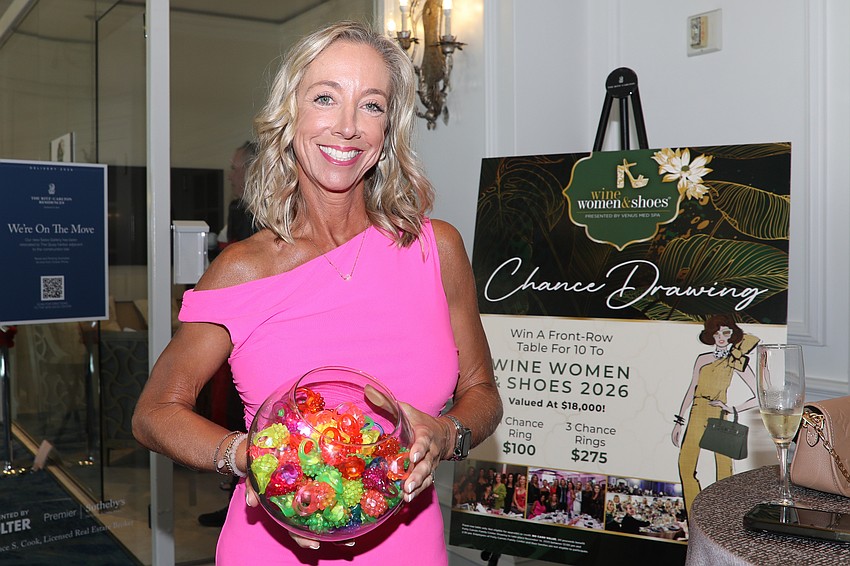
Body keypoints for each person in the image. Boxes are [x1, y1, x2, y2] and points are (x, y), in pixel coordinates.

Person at [132, 21, 502, 565]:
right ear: (290, 116)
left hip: (409, 549)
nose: (348, 126)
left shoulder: (436, 249)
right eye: (325, 98)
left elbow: (484, 393)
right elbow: (154, 412)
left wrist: (447, 434)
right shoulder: (241, 270)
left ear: (388, 131)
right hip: (271, 549)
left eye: (371, 106)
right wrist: (245, 456)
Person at [198, 140, 260, 528]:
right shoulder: (236, 209)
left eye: (235, 168)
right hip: (229, 324)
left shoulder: (252, 212)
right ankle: (235, 493)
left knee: (240, 408)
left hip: (247, 326)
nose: (230, 174)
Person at [671, 314, 759, 516]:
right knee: (685, 465)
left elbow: (759, 395)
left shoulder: (735, 361)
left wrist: (733, 408)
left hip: (718, 414)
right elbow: (692, 388)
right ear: (710, 334)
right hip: (696, 412)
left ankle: (722, 516)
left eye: (725, 332)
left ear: (731, 334)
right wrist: (679, 421)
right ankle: (696, 515)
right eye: (716, 332)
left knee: (724, 469)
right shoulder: (702, 359)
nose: (721, 337)